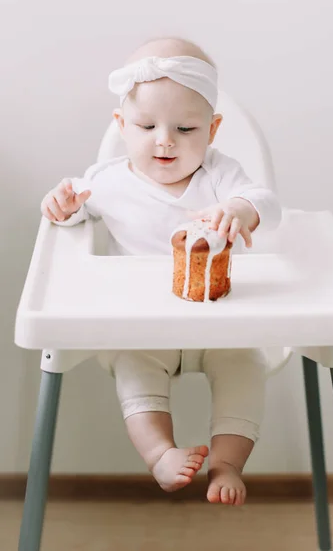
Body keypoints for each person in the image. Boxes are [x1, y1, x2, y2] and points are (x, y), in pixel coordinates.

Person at [40, 37, 283, 506]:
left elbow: (267, 204)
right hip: (145, 326)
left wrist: (239, 208)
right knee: (135, 370)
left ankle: (227, 462)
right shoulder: (108, 181)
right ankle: (159, 454)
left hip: (221, 321)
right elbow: (72, 214)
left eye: (185, 128)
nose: (165, 139)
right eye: (147, 125)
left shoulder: (220, 175)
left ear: (212, 131)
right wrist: (62, 207)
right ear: (122, 125)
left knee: (246, 368)